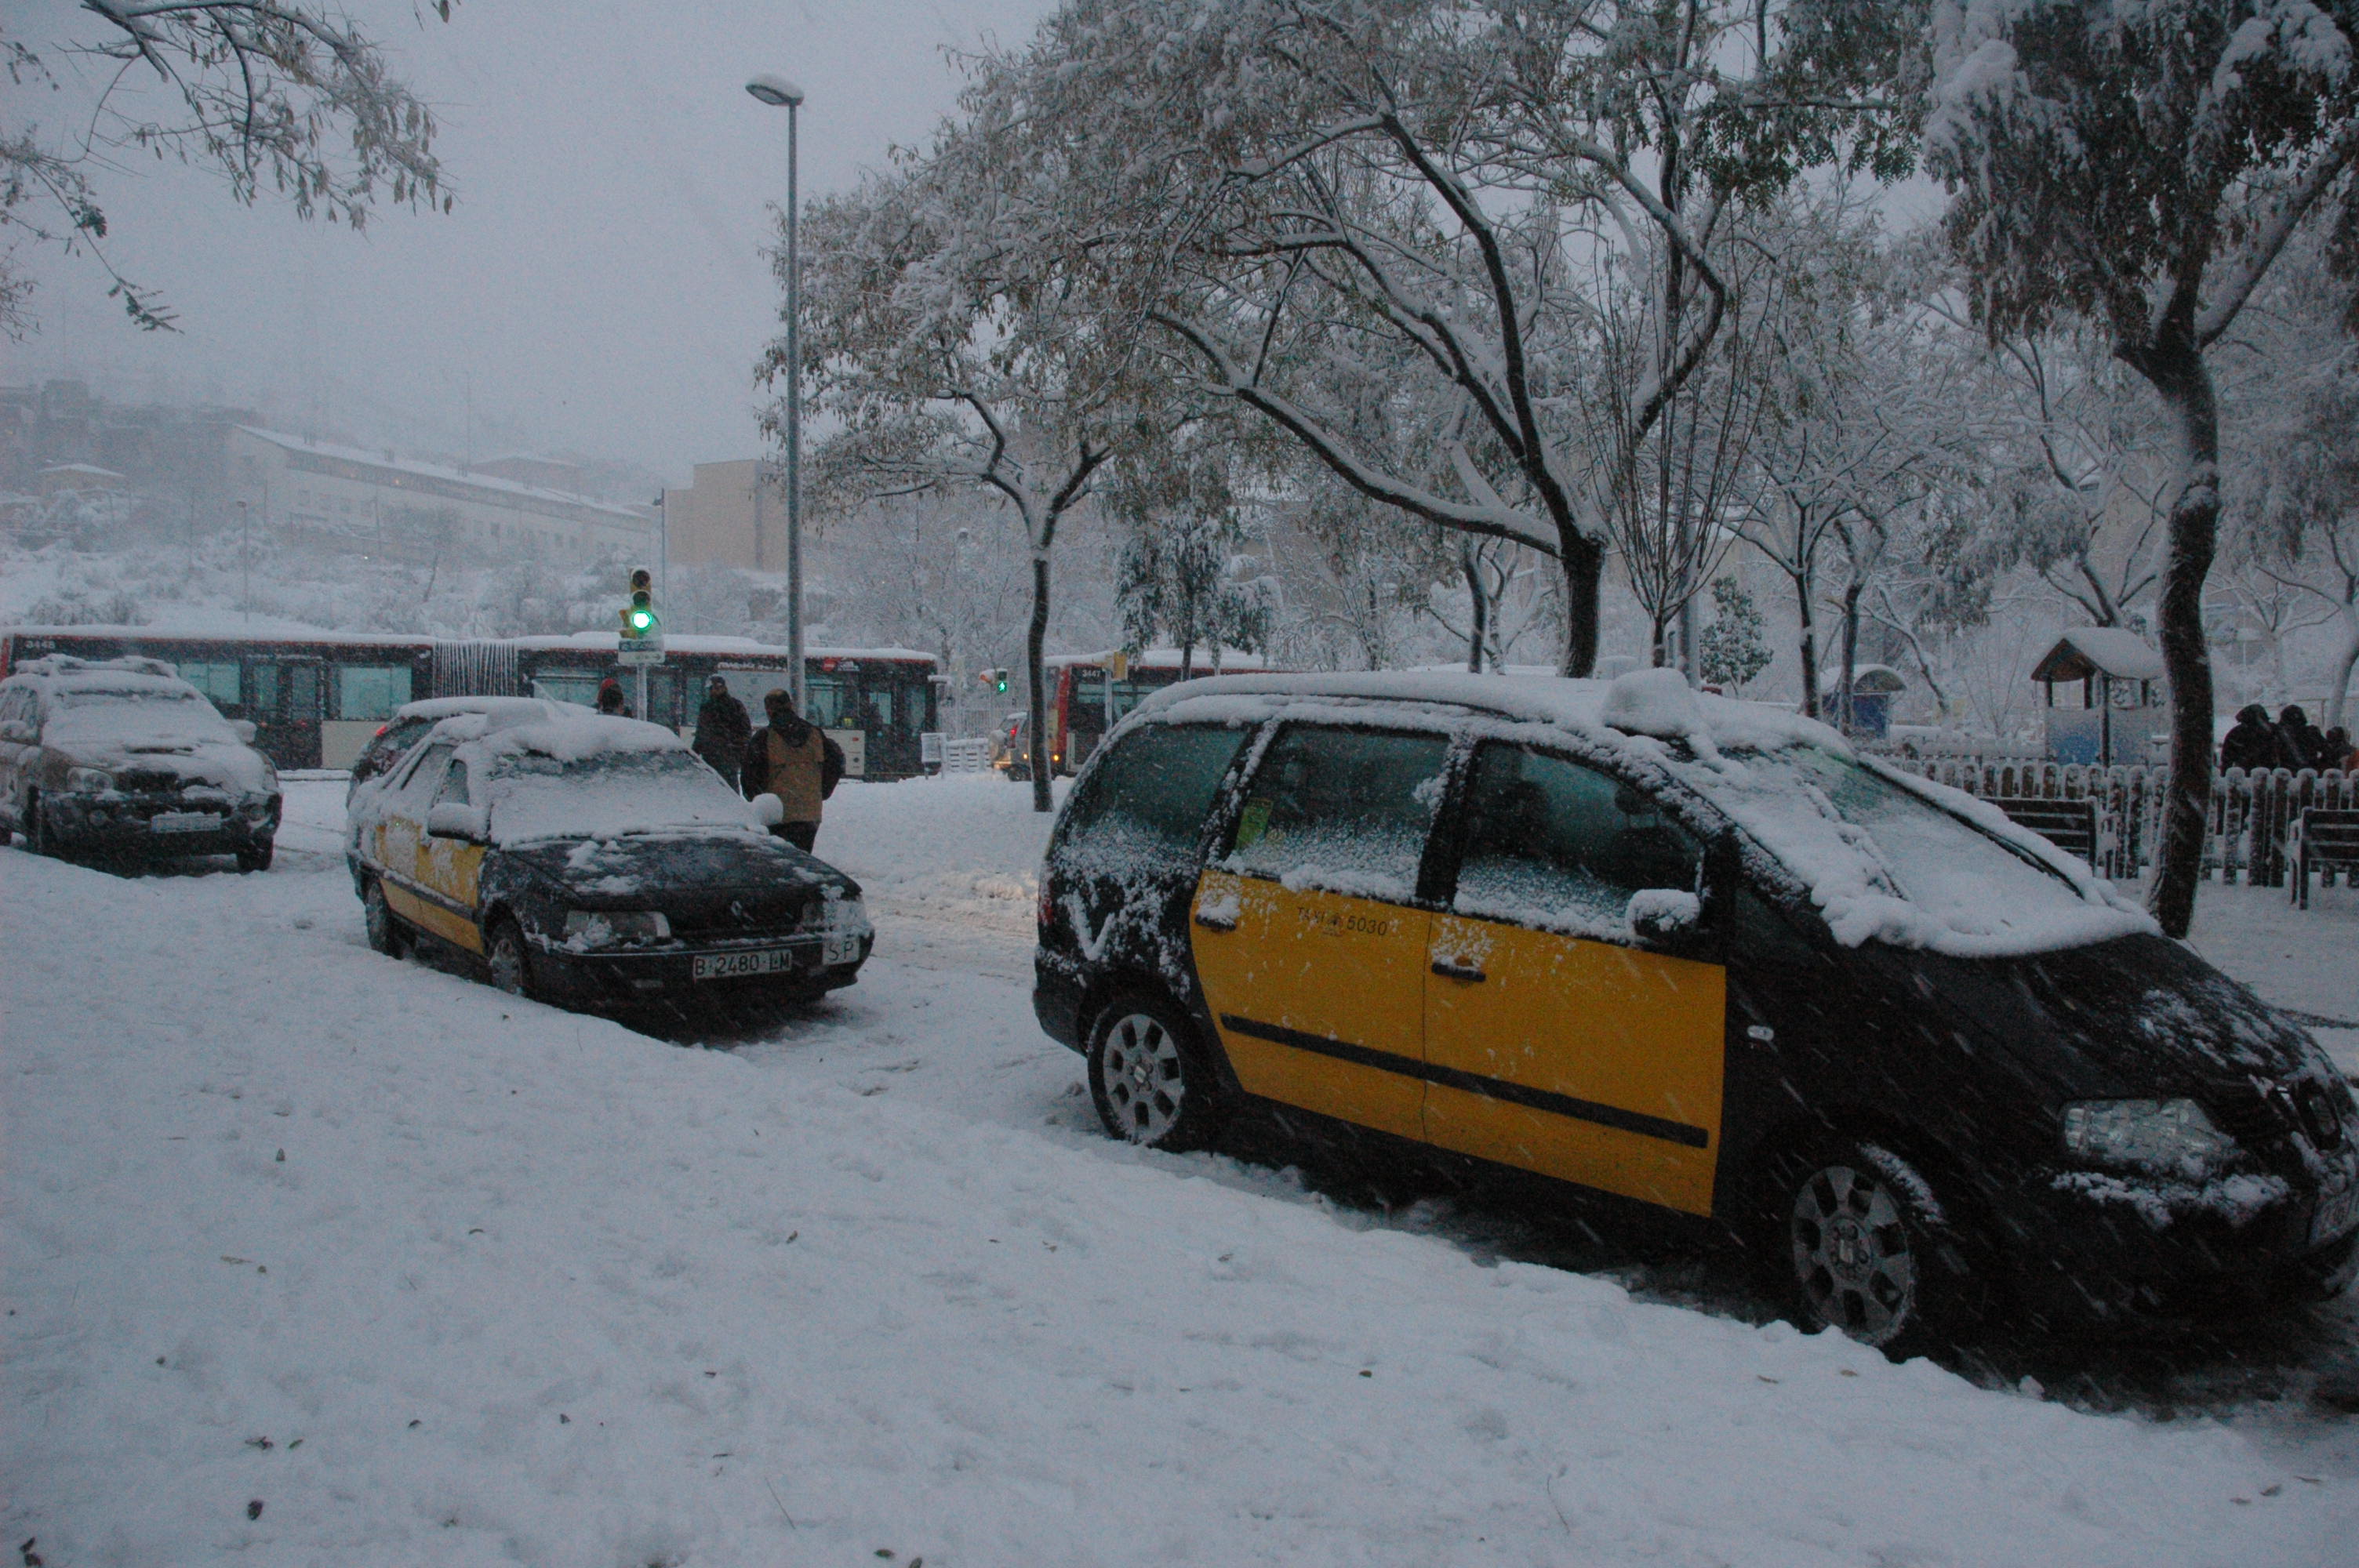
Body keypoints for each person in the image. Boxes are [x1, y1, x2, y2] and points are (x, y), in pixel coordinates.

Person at [740, 688, 844, 852]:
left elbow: (749, 777)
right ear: (790, 705)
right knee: (803, 860)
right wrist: (820, 792)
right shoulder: (816, 734)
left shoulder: (763, 738)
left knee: (781, 862)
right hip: (810, 813)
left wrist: (759, 801)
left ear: (769, 710)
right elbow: (836, 763)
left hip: (777, 815)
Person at [692, 674, 752, 779]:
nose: (713, 691)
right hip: (715, 756)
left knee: (724, 786)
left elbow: (745, 732)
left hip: (726, 756)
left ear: (724, 688)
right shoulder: (707, 707)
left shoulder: (734, 706)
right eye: (711, 689)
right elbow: (701, 732)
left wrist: (736, 751)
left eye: (716, 688)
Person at [2220, 704, 2278, 773]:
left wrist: (2224, 774)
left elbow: (2226, 759)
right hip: (2271, 775)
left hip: (2244, 775)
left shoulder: (2236, 733)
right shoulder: (2273, 730)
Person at [2276, 704, 2328, 771]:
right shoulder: (2311, 732)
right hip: (2310, 771)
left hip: (2286, 773)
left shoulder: (2279, 733)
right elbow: (2326, 749)